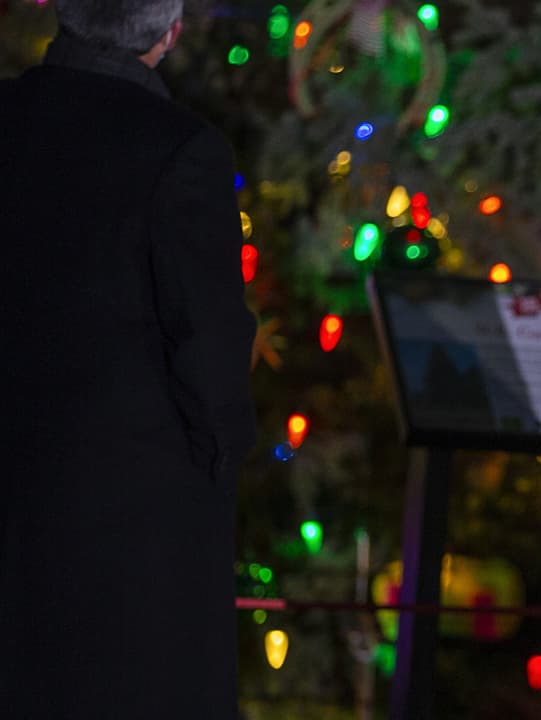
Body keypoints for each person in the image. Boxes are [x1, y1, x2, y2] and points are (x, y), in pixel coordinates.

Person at [0, 2, 256, 717]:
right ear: (168, 33)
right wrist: (220, 458)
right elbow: (209, 344)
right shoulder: (180, 150)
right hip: (131, 524)